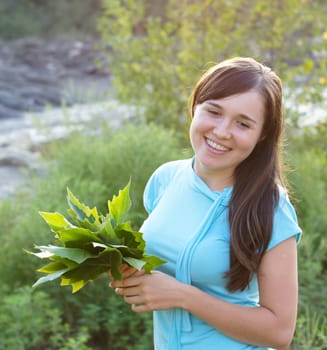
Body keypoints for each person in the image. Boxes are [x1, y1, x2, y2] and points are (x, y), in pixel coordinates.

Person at [110, 57, 302, 350]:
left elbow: (279, 332)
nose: (222, 131)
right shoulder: (165, 179)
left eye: (243, 123)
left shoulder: (272, 210)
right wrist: (130, 273)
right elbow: (169, 261)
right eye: (214, 111)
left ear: (262, 135)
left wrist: (182, 296)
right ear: (195, 107)